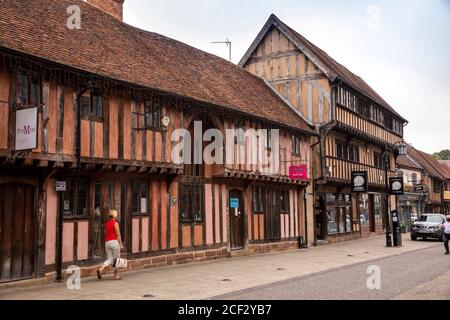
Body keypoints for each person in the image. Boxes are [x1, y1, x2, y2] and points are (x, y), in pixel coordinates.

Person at [97, 210, 124, 280]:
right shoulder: (115, 223)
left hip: (107, 242)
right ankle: (116, 276)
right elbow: (118, 234)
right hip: (114, 242)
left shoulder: (107, 223)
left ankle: (101, 269)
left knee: (110, 259)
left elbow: (106, 232)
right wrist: (121, 244)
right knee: (117, 260)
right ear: (115, 216)